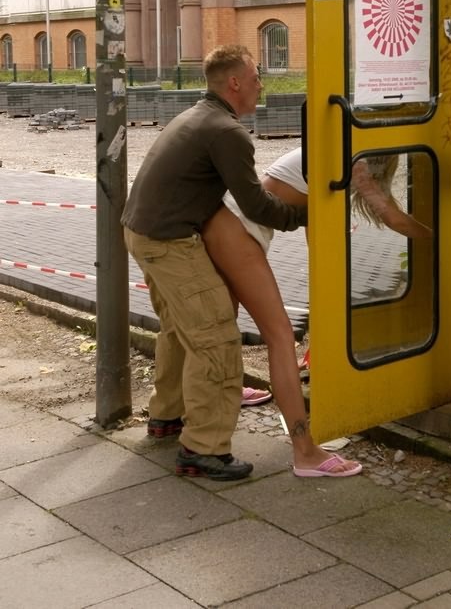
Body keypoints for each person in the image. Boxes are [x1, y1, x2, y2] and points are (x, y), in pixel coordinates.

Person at [121, 45, 308, 481]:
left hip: (141, 232)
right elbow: (257, 205)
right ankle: (202, 449)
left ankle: (167, 417)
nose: (262, 85)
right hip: (168, 241)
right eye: (257, 78)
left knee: (179, 330)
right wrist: (303, 215)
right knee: (216, 338)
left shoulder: (197, 115)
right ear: (235, 83)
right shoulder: (227, 131)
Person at [215, 146, 432, 376]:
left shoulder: (334, 151)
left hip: (236, 221)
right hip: (240, 228)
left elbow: (314, 211)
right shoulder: (356, 163)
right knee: (273, 331)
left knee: (227, 315)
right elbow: (395, 219)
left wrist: (321, 264)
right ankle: (231, 385)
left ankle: (230, 382)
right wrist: (438, 235)